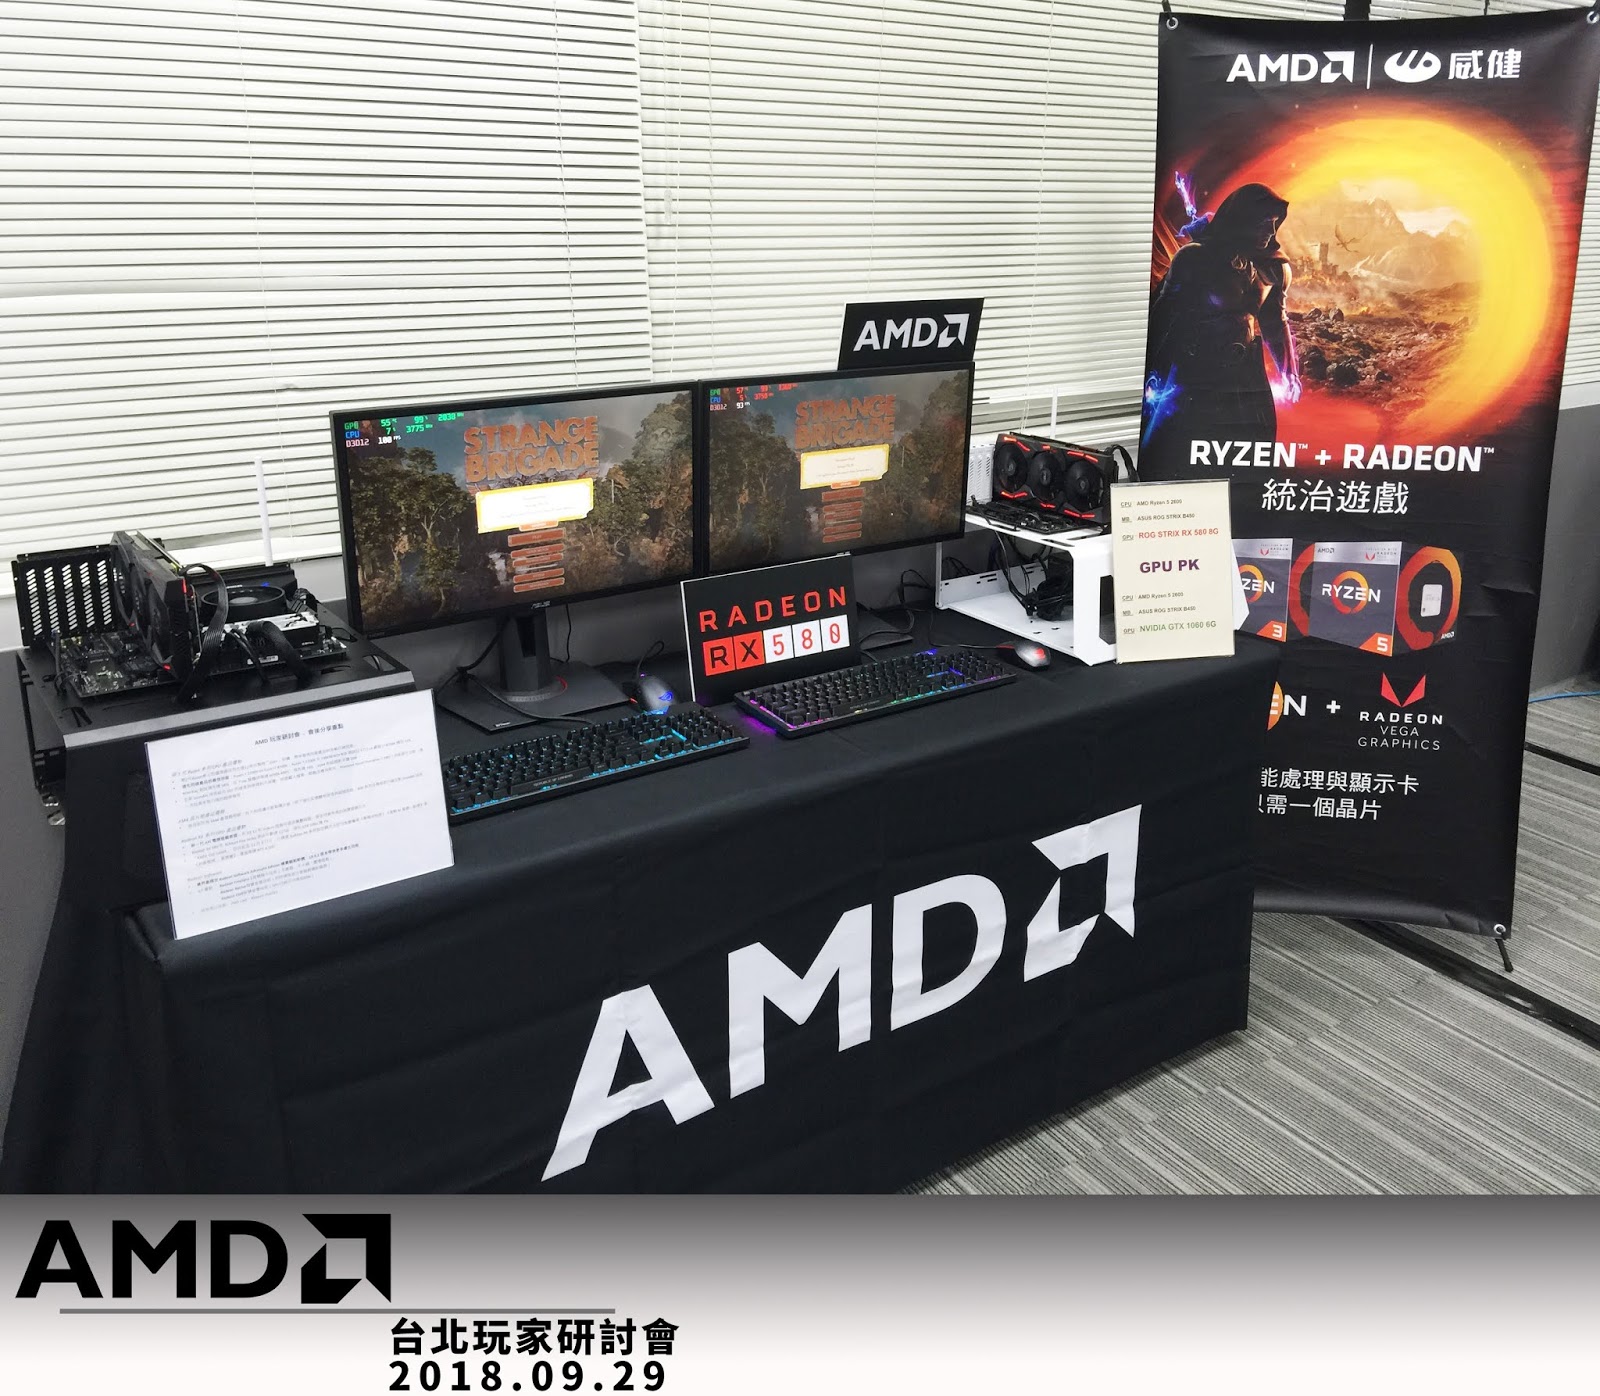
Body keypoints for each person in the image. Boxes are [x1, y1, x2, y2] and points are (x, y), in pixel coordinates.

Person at [1142, 182, 1300, 477]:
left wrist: (1289, 371)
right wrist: (1152, 373)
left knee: (1251, 455)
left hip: (1245, 374)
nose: (1271, 230)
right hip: (1195, 370)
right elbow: (1163, 316)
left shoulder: (1275, 268)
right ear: (1242, 219)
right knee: (1174, 451)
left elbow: (1275, 323)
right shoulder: (1195, 258)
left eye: (1274, 222)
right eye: (1263, 222)